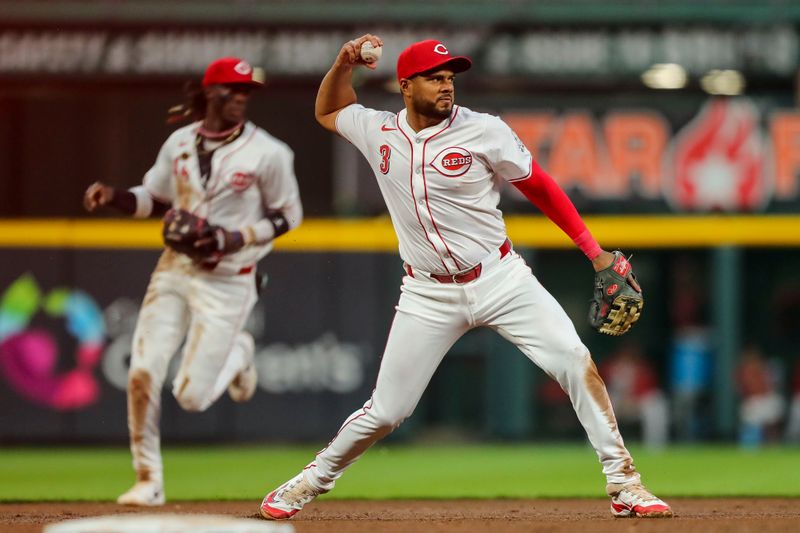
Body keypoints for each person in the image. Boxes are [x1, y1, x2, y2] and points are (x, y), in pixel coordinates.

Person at [258, 36, 671, 520]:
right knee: (388, 411)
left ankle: (625, 484)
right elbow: (329, 111)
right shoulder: (378, 130)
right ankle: (308, 482)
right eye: (435, 78)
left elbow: (540, 186)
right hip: (427, 292)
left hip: (500, 278)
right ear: (405, 85)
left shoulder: (484, 130)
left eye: (450, 77)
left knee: (575, 361)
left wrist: (594, 252)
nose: (446, 86)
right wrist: (343, 64)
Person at [83, 57, 303, 506]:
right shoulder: (179, 142)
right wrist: (115, 197)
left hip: (229, 278)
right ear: (208, 93)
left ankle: (240, 354)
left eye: (246, 92)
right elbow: (156, 199)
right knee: (142, 371)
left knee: (191, 396)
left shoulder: (270, 152)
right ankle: (149, 479)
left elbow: (289, 216)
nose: (241, 98)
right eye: (232, 90)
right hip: (175, 269)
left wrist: (235, 236)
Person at [600, 342, 669, 449]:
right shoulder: (611, 367)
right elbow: (602, 386)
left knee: (656, 403)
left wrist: (633, 400)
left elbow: (649, 389)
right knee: (600, 402)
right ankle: (600, 446)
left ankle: (655, 446)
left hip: (638, 403)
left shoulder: (644, 368)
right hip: (618, 402)